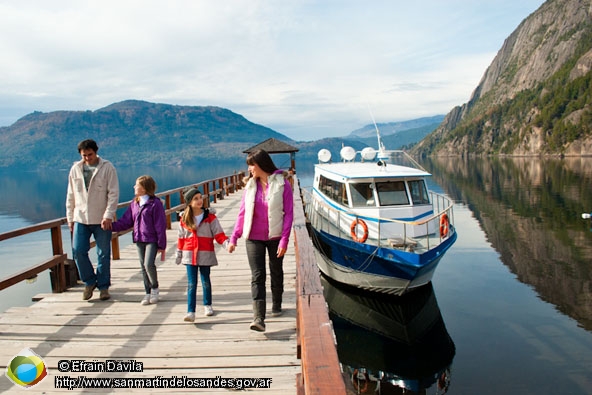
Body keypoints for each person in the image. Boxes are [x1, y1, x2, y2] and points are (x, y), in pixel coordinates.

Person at [227, 149, 294, 332]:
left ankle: (277, 303)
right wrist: (234, 237)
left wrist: (284, 241)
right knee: (257, 276)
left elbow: (289, 214)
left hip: (275, 237)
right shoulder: (250, 186)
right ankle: (258, 318)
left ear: (261, 165)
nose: (249, 169)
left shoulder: (282, 184)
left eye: (251, 165)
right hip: (253, 237)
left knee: (276, 271)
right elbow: (242, 213)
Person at [66, 139, 119, 301]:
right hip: (80, 218)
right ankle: (89, 281)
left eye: (90, 154)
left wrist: (108, 215)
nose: (87, 158)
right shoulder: (75, 169)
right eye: (84, 155)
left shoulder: (107, 167)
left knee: (103, 253)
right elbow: (70, 195)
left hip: (102, 218)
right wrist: (70, 218)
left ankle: (103, 287)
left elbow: (113, 194)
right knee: (78, 251)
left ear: (96, 152)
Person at [111, 175, 167, 305]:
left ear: (144, 188)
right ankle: (147, 293)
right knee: (143, 267)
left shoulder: (155, 204)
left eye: (137, 185)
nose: (134, 187)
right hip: (139, 239)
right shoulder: (134, 203)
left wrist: (161, 244)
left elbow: (160, 225)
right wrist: (110, 227)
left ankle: (155, 289)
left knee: (149, 264)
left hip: (151, 239)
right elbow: (126, 221)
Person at [176, 188, 229, 322]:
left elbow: (218, 233)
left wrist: (226, 243)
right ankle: (190, 311)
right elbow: (181, 237)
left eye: (200, 197)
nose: (200, 201)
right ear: (189, 202)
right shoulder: (184, 218)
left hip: (205, 253)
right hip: (189, 255)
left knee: (205, 281)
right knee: (191, 283)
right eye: (195, 199)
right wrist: (179, 252)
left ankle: (207, 304)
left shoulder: (210, 217)